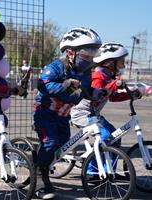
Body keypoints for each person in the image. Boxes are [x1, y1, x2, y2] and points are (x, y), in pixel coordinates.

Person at [33, 27, 104, 199]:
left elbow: (86, 89)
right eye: (85, 55)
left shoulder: (85, 72)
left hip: (63, 116)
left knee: (63, 145)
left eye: (92, 56)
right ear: (71, 53)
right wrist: (65, 84)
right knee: (51, 142)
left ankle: (43, 160)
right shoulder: (56, 67)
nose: (89, 60)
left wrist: (97, 93)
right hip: (45, 113)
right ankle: (39, 177)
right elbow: (43, 85)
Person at [70, 42, 142, 176]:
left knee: (114, 137)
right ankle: (92, 171)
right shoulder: (97, 77)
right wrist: (114, 85)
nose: (124, 66)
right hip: (81, 114)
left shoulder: (108, 78)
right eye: (121, 62)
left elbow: (112, 97)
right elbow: (96, 95)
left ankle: (109, 170)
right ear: (110, 63)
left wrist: (131, 95)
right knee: (105, 137)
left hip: (93, 115)